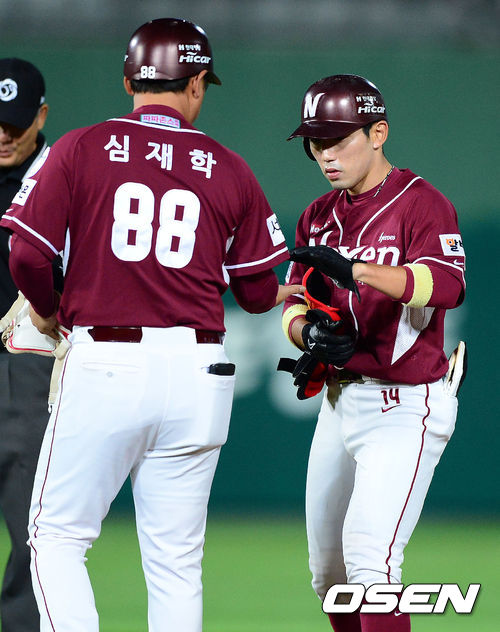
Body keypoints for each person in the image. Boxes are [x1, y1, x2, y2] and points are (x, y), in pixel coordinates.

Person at [0, 19, 301, 632]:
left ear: (128, 81)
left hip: (105, 362)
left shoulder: (82, 148)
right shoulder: (229, 167)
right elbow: (253, 292)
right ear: (196, 84)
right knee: (176, 563)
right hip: (200, 373)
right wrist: (279, 295)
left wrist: (47, 307)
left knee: (56, 539)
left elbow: (27, 255)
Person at [282, 74, 466, 632]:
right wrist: (307, 336)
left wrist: (358, 271)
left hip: (405, 405)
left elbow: (447, 284)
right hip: (339, 403)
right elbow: (291, 303)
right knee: (329, 578)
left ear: (378, 133)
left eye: (339, 140)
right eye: (316, 142)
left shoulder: (423, 203)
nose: (326, 155)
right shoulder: (317, 214)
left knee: (370, 565)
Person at [0, 57, 57, 632]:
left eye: (13, 123)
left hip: (29, 365)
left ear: (40, 116)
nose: (2, 135)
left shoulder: (63, 175)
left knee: (33, 529)